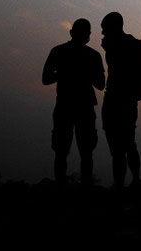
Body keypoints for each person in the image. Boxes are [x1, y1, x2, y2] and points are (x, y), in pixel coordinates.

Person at [42, 18, 105, 185]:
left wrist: (72, 72)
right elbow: (46, 78)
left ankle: (72, 187)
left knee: (77, 152)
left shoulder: (62, 52)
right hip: (70, 105)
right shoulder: (89, 55)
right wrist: (68, 73)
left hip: (73, 106)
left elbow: (100, 84)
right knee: (66, 152)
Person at [100, 11, 141, 189]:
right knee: (126, 144)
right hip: (123, 100)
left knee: (121, 148)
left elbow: (116, 64)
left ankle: (123, 184)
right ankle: (132, 180)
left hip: (120, 99)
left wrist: (108, 47)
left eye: (105, 29)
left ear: (115, 27)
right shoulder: (132, 45)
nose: (103, 33)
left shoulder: (117, 46)